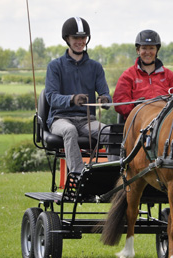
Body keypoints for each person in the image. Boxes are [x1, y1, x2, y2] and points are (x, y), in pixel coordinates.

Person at [45, 17, 111, 173]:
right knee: (69, 130)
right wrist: (72, 99)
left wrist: (105, 99)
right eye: (76, 38)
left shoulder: (95, 67)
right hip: (60, 119)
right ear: (67, 39)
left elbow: (105, 93)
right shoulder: (55, 66)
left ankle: (113, 174)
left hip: (86, 120)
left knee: (109, 132)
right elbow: (51, 97)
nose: (80, 41)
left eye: (83, 37)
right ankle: (78, 174)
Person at [113, 29, 173, 120]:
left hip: (165, 121)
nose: (148, 52)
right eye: (144, 48)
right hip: (138, 121)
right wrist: (135, 104)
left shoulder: (169, 75)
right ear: (138, 50)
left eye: (151, 48)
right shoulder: (128, 76)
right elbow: (119, 103)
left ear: (157, 50)